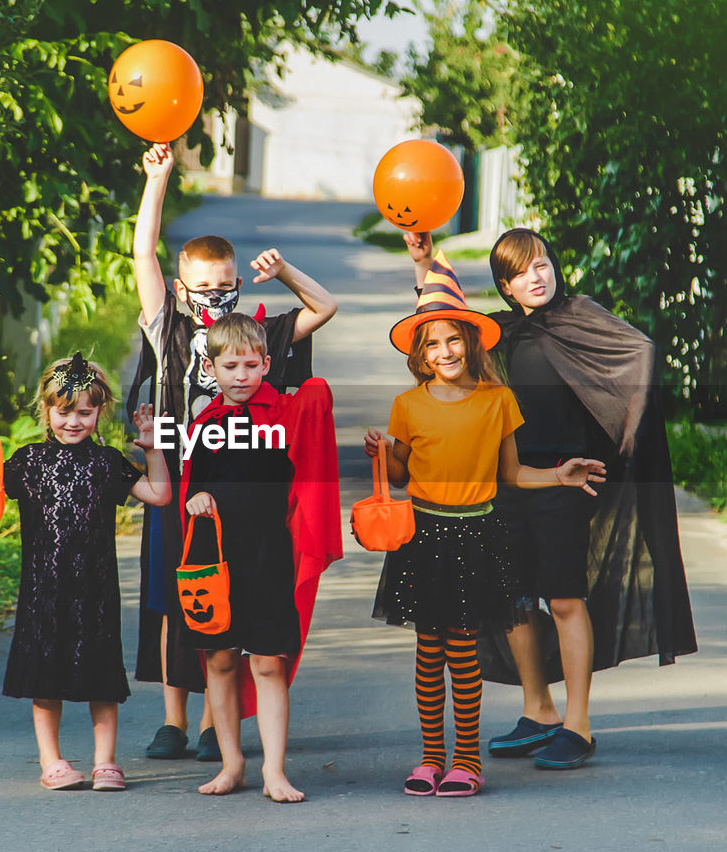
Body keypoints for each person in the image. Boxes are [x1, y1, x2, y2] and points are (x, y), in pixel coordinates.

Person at [404, 228, 697, 771]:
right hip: (506, 482)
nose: (535, 278)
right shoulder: (501, 333)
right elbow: (442, 330)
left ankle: (577, 725)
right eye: (519, 272)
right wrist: (423, 266)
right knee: (514, 601)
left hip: (566, 479)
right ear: (505, 285)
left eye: (541, 265)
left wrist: (621, 442)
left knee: (563, 598)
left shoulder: (580, 315)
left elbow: (641, 353)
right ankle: (537, 710)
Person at [363, 254, 606, 798]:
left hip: (476, 536)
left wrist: (561, 477)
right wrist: (383, 455)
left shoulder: (498, 402)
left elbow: (514, 473)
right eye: (431, 344)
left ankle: (467, 762)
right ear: (419, 354)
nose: (443, 351)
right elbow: (402, 477)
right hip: (423, 538)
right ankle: (431, 758)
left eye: (453, 340)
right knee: (429, 649)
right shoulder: (407, 405)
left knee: (464, 650)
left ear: (471, 343)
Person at [128, 142, 337, 762]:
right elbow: (142, 251)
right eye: (201, 286)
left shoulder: (252, 335)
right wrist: (159, 180)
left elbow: (323, 308)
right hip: (175, 474)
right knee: (175, 594)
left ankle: (218, 727)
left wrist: (288, 272)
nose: (213, 295)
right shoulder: (167, 326)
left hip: (237, 483)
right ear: (180, 286)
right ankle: (174, 717)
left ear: (238, 284)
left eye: (224, 286)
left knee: (230, 597)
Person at [0, 353, 172, 791]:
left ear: (99, 411)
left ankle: (105, 762)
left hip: (96, 590)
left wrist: (153, 450)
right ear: (47, 410)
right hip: (44, 589)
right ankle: (52, 760)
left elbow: (159, 495)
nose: (73, 421)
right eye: (64, 412)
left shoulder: (107, 462)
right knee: (46, 678)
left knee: (103, 679)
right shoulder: (29, 461)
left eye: (84, 412)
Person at [178, 313, 340, 803]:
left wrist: (303, 388)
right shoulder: (204, 424)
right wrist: (194, 500)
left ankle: (274, 769)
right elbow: (191, 486)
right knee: (221, 661)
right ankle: (232, 764)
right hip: (216, 555)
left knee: (268, 663)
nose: (242, 376)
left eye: (251, 364)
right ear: (212, 369)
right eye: (230, 367)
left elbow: (317, 394)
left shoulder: (285, 413)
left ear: (268, 364)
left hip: (269, 554)